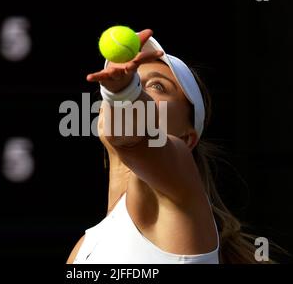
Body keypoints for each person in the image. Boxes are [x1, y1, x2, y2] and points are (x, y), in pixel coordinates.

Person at [67, 29, 260, 264]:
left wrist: (124, 92)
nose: (138, 87)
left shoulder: (177, 187)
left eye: (157, 86)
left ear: (187, 138)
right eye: (134, 80)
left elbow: (134, 136)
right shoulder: (83, 247)